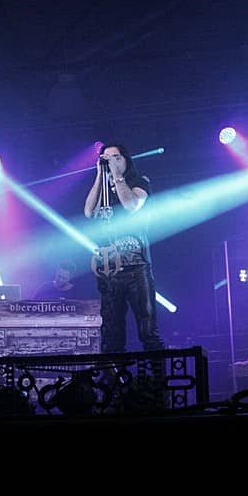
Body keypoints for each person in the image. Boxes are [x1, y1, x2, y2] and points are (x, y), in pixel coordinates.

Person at [83, 143, 164, 354]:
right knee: (112, 334)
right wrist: (100, 174)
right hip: (109, 270)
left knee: (147, 330)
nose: (110, 161)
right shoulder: (102, 189)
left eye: (115, 157)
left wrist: (118, 176)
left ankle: (155, 373)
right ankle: (116, 374)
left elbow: (131, 206)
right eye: (105, 158)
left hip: (136, 268)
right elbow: (89, 212)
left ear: (126, 160)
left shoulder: (139, 182)